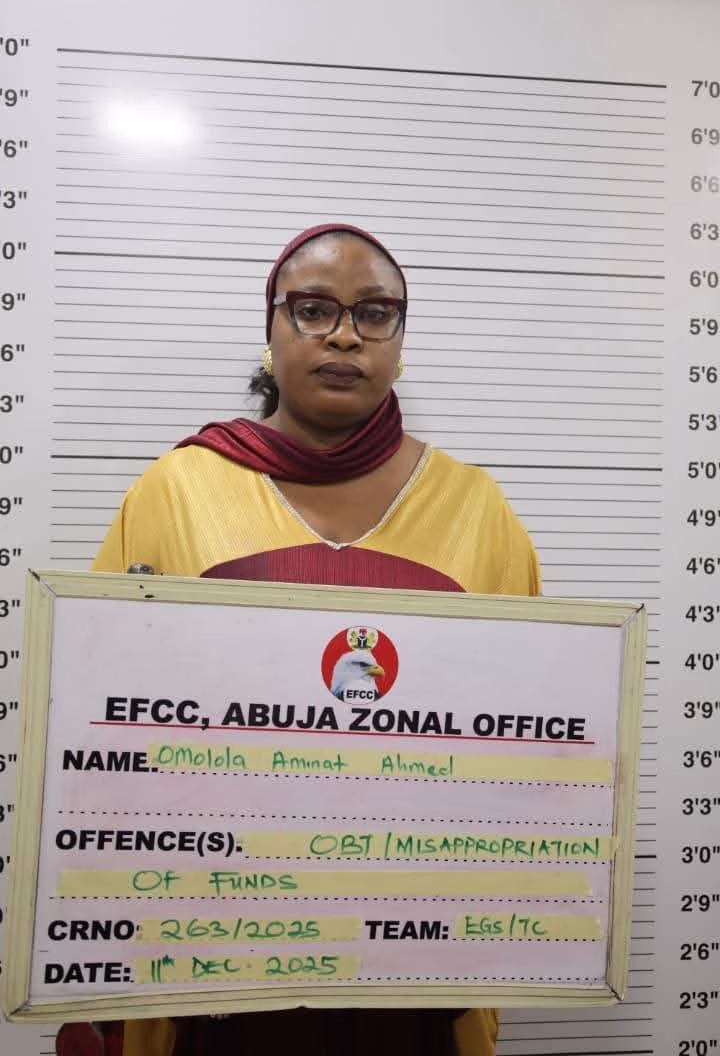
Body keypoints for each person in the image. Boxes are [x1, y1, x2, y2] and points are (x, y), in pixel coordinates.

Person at [57, 223, 540, 1056]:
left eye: (375, 313)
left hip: (412, 957)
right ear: (271, 328)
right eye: (314, 309)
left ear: (399, 341)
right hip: (210, 947)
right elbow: (103, 735)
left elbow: (528, 745)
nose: (346, 335)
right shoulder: (175, 492)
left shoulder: (475, 508)